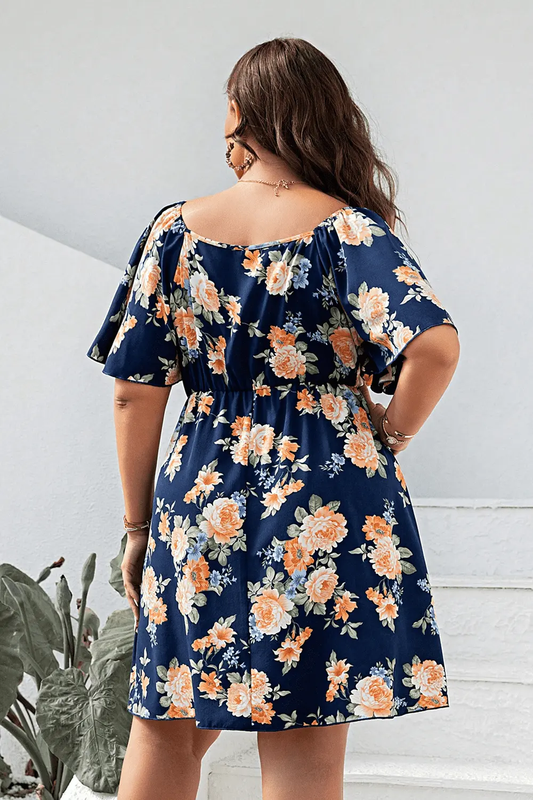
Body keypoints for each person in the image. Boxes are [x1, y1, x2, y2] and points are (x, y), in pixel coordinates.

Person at [87, 36, 460, 800]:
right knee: (302, 744)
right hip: (326, 495)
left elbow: (133, 390)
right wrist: (390, 434)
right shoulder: (348, 230)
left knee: (168, 727)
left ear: (239, 114)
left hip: (202, 494)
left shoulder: (175, 231)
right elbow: (434, 346)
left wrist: (137, 526)